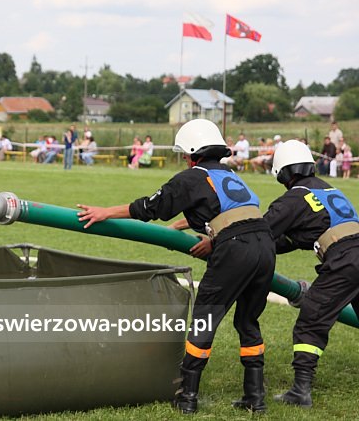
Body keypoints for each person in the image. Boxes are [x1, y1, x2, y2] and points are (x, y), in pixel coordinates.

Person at [76, 119, 275, 414]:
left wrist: (106, 212)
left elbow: (149, 207)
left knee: (205, 319)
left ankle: (187, 397)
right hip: (264, 244)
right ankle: (255, 398)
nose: (184, 159)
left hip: (235, 248)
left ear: (193, 153)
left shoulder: (191, 177)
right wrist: (205, 234)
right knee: (248, 321)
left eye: (185, 153)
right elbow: (226, 214)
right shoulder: (229, 175)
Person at [265, 140, 359, 408]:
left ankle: (300, 390)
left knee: (311, 320)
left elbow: (261, 233)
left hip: (344, 262)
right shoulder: (330, 190)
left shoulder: (295, 196)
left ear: (283, 173)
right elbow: (295, 239)